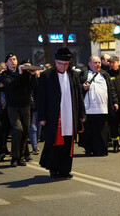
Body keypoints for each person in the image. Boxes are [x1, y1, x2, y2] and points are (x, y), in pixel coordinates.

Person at [38, 47, 86, 178]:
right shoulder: (46, 75)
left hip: (70, 114)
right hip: (54, 115)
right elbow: (41, 98)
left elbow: (79, 96)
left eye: (65, 64)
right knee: (55, 142)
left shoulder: (73, 75)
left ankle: (65, 169)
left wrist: (82, 114)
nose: (62, 67)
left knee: (68, 142)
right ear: (55, 62)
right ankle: (53, 168)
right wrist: (42, 116)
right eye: (60, 64)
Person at [0, 53, 38, 167]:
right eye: (10, 60)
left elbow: (34, 87)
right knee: (17, 129)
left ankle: (21, 156)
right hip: (13, 107)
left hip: (25, 106)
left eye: (15, 59)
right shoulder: (5, 74)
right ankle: (14, 157)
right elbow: (11, 86)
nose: (13, 62)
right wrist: (21, 74)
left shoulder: (23, 73)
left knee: (25, 130)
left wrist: (33, 75)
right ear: (6, 62)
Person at [79, 56, 118, 156]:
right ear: (89, 63)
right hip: (88, 109)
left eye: (99, 63)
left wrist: (115, 102)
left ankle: (101, 150)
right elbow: (76, 88)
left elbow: (112, 89)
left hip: (102, 109)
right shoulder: (83, 74)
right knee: (89, 132)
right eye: (95, 63)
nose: (98, 65)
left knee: (102, 132)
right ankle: (88, 149)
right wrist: (83, 87)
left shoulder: (105, 75)